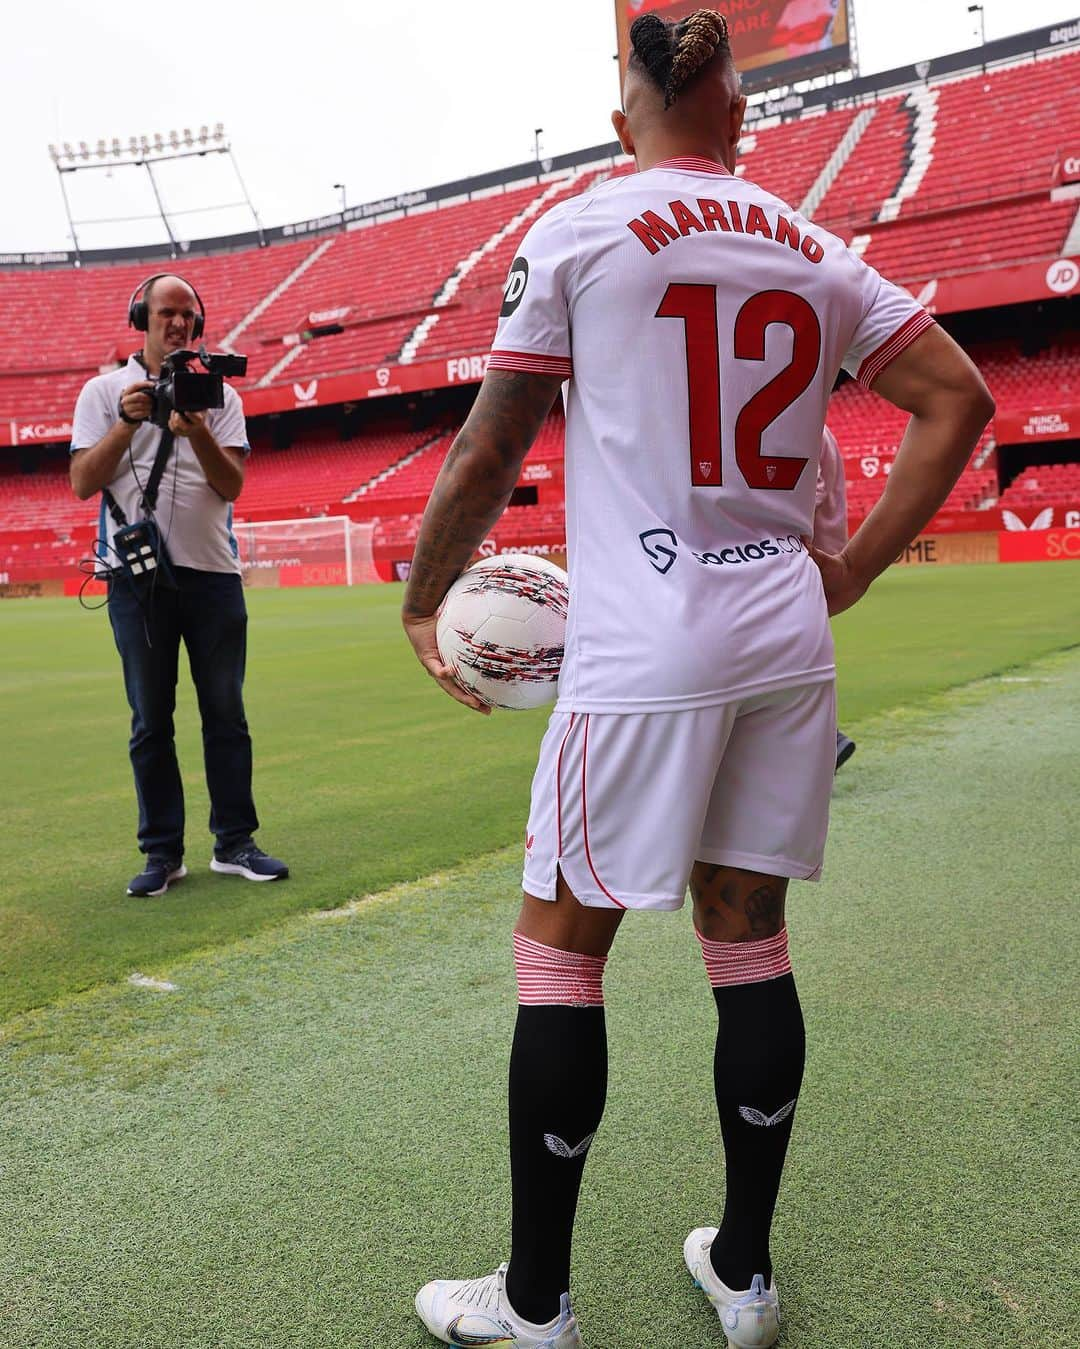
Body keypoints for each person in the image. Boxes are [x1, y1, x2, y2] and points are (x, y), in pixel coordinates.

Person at [402, 11, 993, 1346]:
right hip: (787, 639)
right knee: (750, 943)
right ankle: (745, 1271)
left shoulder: (583, 227)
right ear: (740, 114)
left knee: (560, 952)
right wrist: (853, 573)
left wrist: (428, 596)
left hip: (647, 643)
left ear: (627, 119)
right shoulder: (817, 246)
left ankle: (535, 1303)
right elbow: (960, 400)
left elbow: (493, 451)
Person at [70, 274, 288, 898]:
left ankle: (235, 842)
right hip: (135, 580)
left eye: (189, 316)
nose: (179, 325)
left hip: (214, 573)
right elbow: (83, 482)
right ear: (141, 316)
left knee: (226, 712)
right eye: (166, 312)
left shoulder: (219, 397)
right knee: (150, 719)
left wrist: (198, 433)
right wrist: (126, 425)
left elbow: (234, 486)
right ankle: (162, 853)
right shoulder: (104, 390)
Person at [815, 426, 858, 770]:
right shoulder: (818, 423)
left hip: (804, 563)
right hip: (808, 562)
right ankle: (828, 739)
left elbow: (803, 493)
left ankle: (827, 741)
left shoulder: (806, 422)